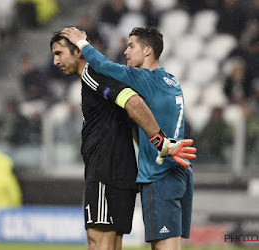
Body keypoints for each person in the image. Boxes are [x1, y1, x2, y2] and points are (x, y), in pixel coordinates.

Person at [50, 29, 196, 250]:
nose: (125, 52)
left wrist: (160, 141)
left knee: (99, 242)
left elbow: (129, 98)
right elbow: (134, 121)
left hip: (133, 173)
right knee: (116, 242)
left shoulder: (121, 77)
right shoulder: (170, 80)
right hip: (157, 172)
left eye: (59, 53)